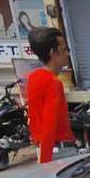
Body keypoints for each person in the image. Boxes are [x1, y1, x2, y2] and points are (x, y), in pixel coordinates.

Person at [26, 27, 76, 163]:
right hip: (59, 151)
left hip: (44, 147)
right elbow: (49, 124)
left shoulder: (33, 77)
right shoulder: (53, 83)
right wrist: (45, 161)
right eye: (64, 49)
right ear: (53, 52)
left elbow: (34, 117)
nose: (68, 54)